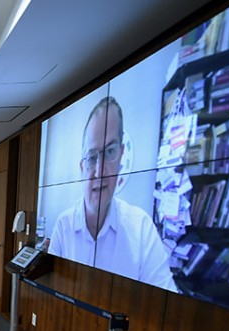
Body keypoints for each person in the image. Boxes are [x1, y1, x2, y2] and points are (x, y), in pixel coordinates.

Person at [47, 96, 177, 292]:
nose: (99, 171)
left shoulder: (141, 228)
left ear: (121, 156)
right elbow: (51, 294)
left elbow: (166, 304)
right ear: (82, 167)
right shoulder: (63, 226)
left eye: (109, 152)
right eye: (92, 157)